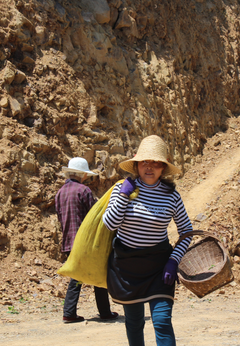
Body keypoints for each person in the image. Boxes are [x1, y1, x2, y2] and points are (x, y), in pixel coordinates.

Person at [102, 135, 194, 346]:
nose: (149, 167)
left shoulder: (172, 196)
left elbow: (186, 231)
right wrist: (124, 195)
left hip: (158, 267)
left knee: (162, 321)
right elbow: (110, 224)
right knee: (134, 322)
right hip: (126, 266)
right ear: (136, 165)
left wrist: (173, 260)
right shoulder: (122, 189)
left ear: (163, 167)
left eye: (155, 163)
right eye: (145, 162)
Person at [55, 157, 118, 323]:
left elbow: (60, 218)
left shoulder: (60, 193)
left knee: (76, 274)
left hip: (68, 239)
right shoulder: (84, 191)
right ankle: (101, 312)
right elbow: (94, 217)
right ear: (82, 175)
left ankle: (71, 312)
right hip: (85, 242)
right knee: (97, 271)